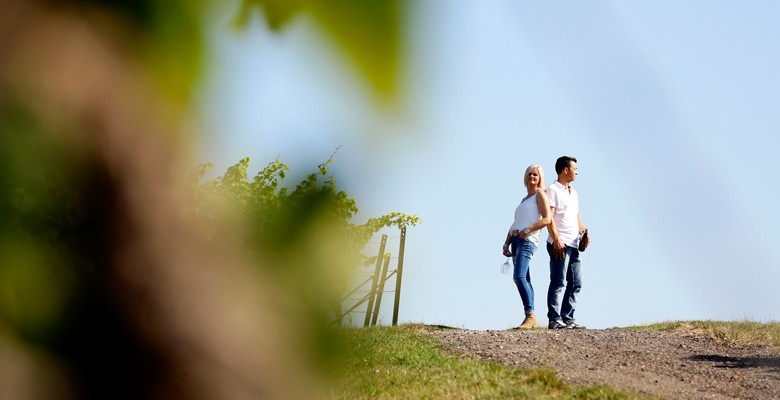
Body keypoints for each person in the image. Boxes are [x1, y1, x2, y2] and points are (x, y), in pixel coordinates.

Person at [502, 164, 552, 329]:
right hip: (516, 240)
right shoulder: (524, 200)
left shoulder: (540, 195)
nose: (532, 177)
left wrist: (528, 230)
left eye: (535, 175)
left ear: (540, 179)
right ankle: (530, 317)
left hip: (528, 240)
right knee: (525, 278)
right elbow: (515, 223)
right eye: (530, 174)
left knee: (519, 277)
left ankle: (530, 315)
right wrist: (507, 242)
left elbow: (547, 219)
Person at [545, 156, 588, 330]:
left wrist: (584, 233)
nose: (577, 171)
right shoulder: (553, 190)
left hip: (574, 243)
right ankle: (554, 319)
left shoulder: (574, 191)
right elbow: (549, 218)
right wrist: (556, 240)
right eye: (574, 168)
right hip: (560, 243)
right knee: (558, 282)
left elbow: (576, 215)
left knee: (576, 283)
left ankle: (568, 318)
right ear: (565, 170)